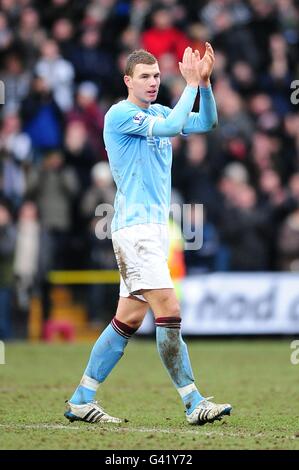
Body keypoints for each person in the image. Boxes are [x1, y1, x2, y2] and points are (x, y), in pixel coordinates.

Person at [65, 44, 232, 425]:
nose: (153, 82)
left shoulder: (158, 111)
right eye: (145, 76)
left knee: (127, 319)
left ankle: (81, 398)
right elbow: (175, 127)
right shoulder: (120, 114)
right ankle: (193, 402)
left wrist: (203, 84)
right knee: (170, 312)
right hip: (134, 228)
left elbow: (205, 124)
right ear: (128, 81)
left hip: (154, 230)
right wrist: (189, 83)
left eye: (157, 76)